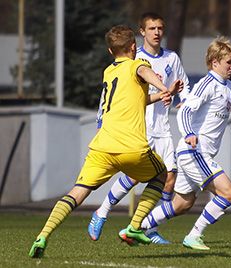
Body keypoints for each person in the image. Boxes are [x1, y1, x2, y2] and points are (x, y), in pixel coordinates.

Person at [28, 24, 184, 258]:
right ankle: (134, 227)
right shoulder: (138, 64)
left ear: (111, 52)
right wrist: (164, 87)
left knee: (77, 192)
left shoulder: (109, 72)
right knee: (162, 175)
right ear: (134, 47)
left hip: (101, 147)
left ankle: (42, 236)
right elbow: (144, 72)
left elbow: (136, 100)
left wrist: (159, 94)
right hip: (131, 147)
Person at [127, 36, 231, 250]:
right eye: (228, 62)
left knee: (182, 203)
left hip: (199, 154)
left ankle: (136, 228)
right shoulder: (206, 84)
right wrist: (190, 132)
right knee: (228, 192)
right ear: (214, 62)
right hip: (194, 151)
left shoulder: (229, 87)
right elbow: (185, 111)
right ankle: (194, 235)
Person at [88, 12, 189, 244]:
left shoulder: (172, 58)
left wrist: (182, 98)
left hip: (162, 127)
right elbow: (108, 96)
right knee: (134, 177)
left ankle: (148, 228)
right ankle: (102, 212)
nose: (157, 33)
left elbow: (183, 87)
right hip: (138, 128)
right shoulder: (133, 59)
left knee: (169, 178)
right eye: (152, 28)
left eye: (160, 28)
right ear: (142, 32)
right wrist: (100, 122)